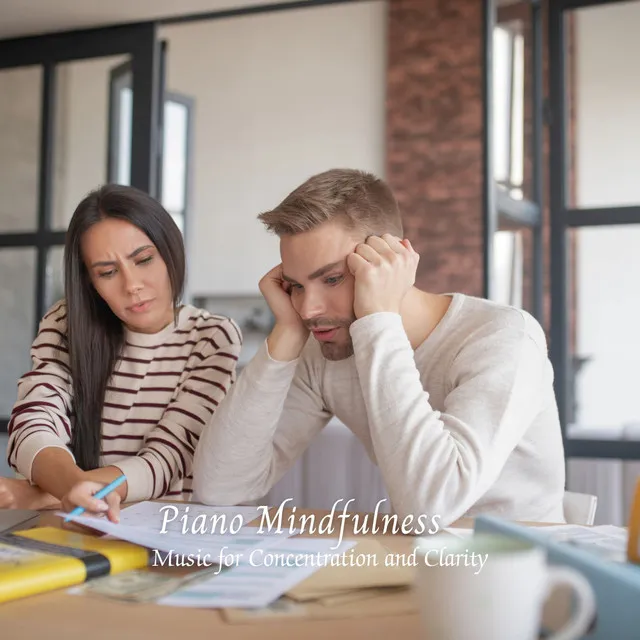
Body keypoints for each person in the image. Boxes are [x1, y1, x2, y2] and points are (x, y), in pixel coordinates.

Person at [192, 168, 566, 525]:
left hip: (523, 571)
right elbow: (220, 488)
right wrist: (286, 333)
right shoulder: (323, 347)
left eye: (333, 278)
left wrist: (378, 320)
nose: (308, 309)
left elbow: (431, 506)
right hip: (420, 566)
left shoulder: (502, 337)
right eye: (296, 286)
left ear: (392, 261)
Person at [2, 184, 242, 522]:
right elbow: (35, 419)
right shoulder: (65, 323)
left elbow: (166, 460)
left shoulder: (212, 336)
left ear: (170, 250)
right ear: (90, 281)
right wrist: (70, 487)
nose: (132, 285)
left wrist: (39, 494)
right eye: (107, 272)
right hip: (63, 526)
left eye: (143, 260)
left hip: (160, 533)